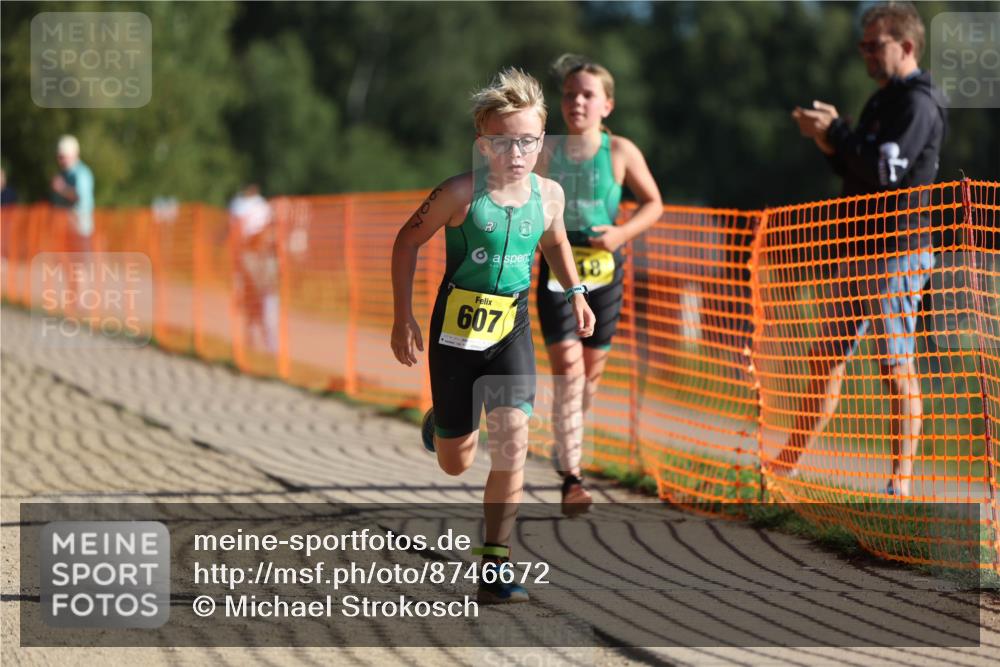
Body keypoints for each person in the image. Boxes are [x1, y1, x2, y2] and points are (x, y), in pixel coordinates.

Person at [390, 68, 596, 603]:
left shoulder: (549, 195)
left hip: (511, 330)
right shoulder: (459, 193)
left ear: (541, 140)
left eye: (527, 140)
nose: (516, 152)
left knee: (513, 444)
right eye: (503, 141)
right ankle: (441, 425)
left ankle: (495, 565)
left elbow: (555, 243)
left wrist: (576, 292)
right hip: (455, 338)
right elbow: (406, 242)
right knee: (455, 462)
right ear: (483, 144)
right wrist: (402, 316)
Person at [781, 1, 947, 497]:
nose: (866, 54)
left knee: (894, 364)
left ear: (907, 45)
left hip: (898, 250)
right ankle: (785, 465)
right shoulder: (881, 101)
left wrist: (837, 131)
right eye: (862, 45)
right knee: (824, 358)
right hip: (857, 248)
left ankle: (900, 483)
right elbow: (856, 169)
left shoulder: (919, 102)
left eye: (875, 45)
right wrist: (828, 140)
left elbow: (884, 171)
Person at [535, 55, 662, 515]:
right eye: (570, 94)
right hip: (558, 269)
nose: (577, 102)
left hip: (605, 272)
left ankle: (567, 439)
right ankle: (573, 478)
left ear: (607, 105)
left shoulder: (621, 152)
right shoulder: (547, 152)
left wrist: (620, 234)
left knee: (589, 378)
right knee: (569, 372)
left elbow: (654, 203)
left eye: (588, 95)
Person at [229, 184, 279, 355]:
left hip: (255, 258)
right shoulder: (241, 205)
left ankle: (269, 344)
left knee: (266, 306)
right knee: (251, 306)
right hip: (248, 254)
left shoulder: (259, 207)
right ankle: (254, 340)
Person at [50, 135, 95, 254]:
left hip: (80, 228)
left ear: (74, 154)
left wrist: (61, 188)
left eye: (63, 157)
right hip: (66, 228)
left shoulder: (81, 173)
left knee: (80, 261)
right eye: (59, 157)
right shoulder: (64, 174)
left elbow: (79, 196)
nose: (61, 161)